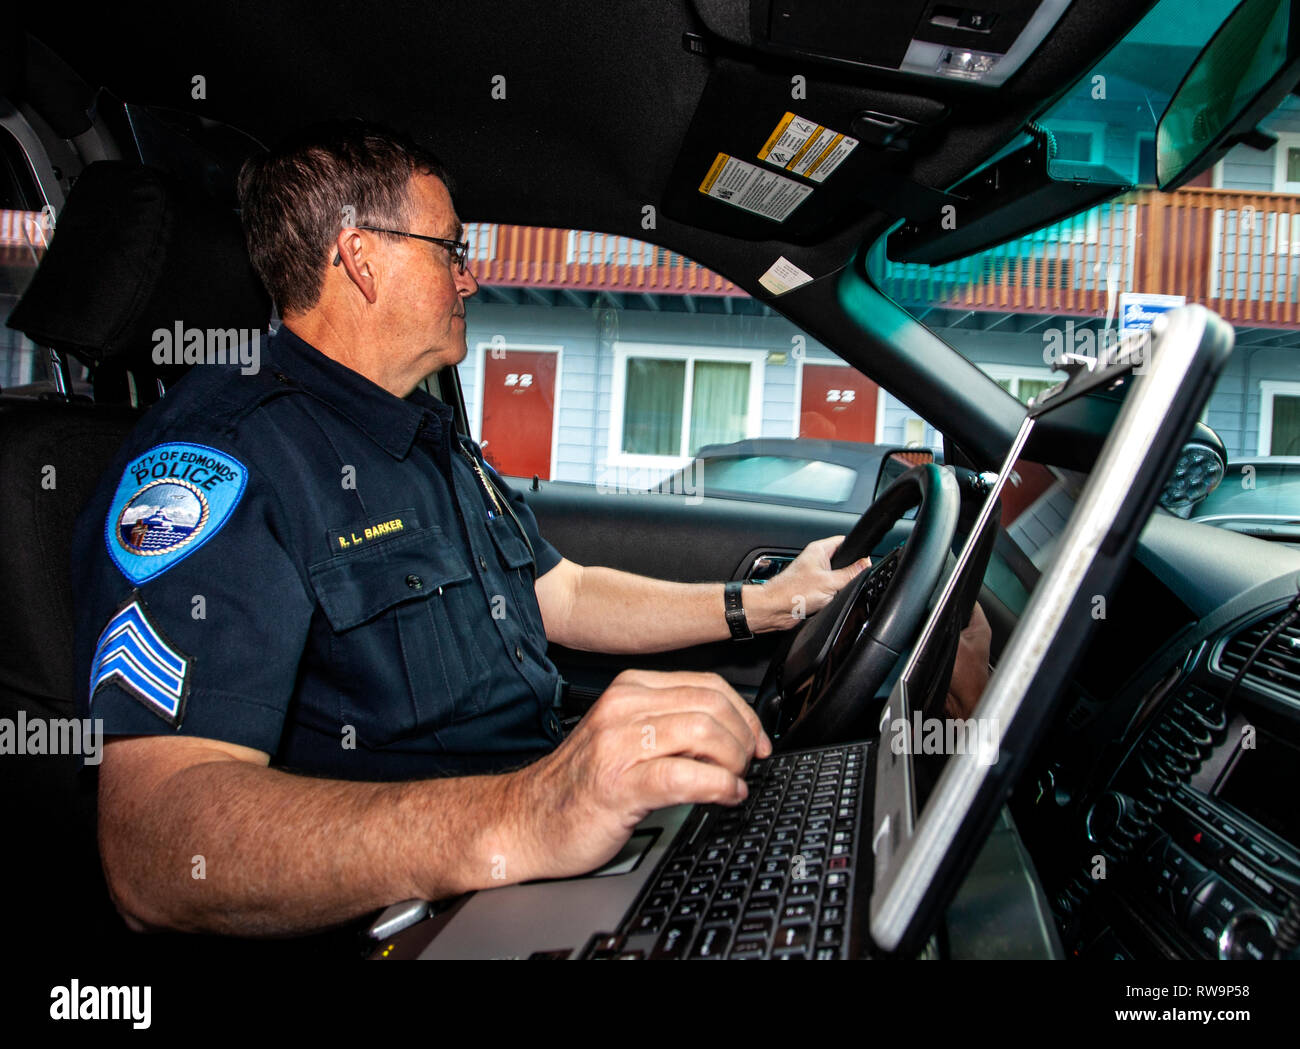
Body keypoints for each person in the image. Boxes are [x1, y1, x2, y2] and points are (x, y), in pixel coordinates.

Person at [72, 120, 988, 938]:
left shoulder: (425, 434)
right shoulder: (216, 462)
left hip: (532, 856)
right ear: (362, 258)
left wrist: (767, 602)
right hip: (428, 913)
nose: (473, 273)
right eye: (450, 249)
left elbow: (564, 591)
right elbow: (155, 845)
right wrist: (523, 814)